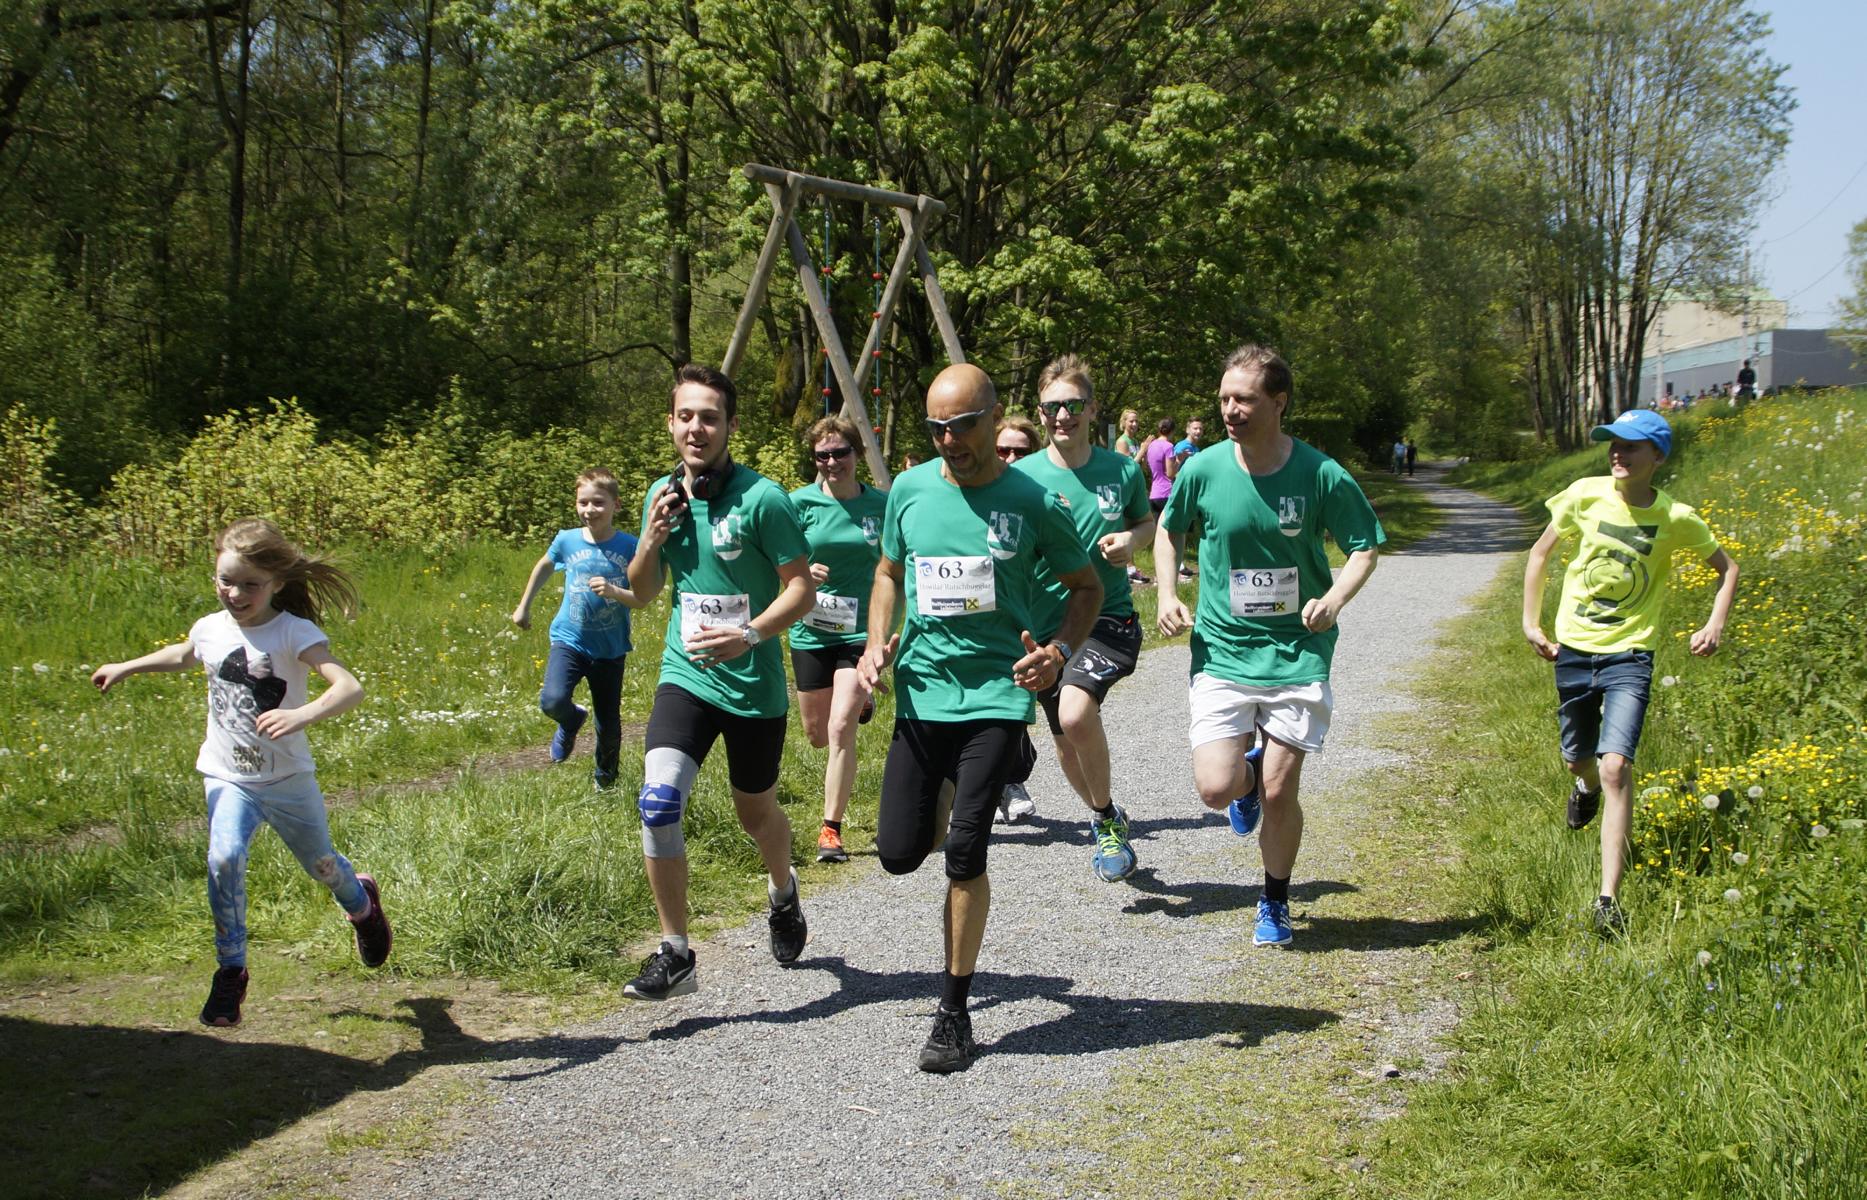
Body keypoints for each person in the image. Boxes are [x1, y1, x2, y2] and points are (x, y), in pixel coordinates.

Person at [860, 363, 1101, 1073]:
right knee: (899, 853)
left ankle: (953, 1014)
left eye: (962, 426)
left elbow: (1085, 588)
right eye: (936, 428)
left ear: (994, 420)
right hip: (922, 695)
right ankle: (974, 777)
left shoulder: (1033, 500)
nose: (948, 440)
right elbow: (887, 573)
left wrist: (1058, 652)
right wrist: (877, 641)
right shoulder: (908, 491)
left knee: (965, 851)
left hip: (996, 695)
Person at [90, 518, 391, 1028]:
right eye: (225, 580)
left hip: (287, 779)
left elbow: (349, 687)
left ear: (276, 582)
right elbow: (185, 655)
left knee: (322, 865)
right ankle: (231, 969)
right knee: (224, 857)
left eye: (250, 584)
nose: (235, 593)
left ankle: (362, 906)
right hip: (227, 775)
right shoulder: (210, 627)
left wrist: (301, 715)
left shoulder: (293, 632)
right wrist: (126, 666)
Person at [1154, 344, 1385, 949]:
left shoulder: (1320, 473)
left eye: (1245, 399)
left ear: (1278, 403)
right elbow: (1168, 531)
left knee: (1283, 791)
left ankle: (1275, 898)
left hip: (1297, 651)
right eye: (1224, 398)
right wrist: (1165, 594)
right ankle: (1246, 778)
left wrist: (1333, 599)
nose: (1231, 410)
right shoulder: (1202, 469)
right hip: (1223, 650)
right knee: (1215, 789)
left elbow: (1364, 547)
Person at [621, 363, 817, 1001]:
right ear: (670, 424)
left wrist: (749, 635)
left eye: (709, 417)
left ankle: (782, 890)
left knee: (755, 815)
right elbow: (643, 592)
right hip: (686, 675)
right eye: (685, 416)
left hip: (753, 686)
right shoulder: (662, 496)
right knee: (658, 802)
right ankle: (675, 952)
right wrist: (650, 539)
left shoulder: (764, 499)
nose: (696, 428)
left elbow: (802, 591)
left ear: (730, 425)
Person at [1521, 408, 1738, 936]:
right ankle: (1585, 787)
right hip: (1574, 649)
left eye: (1632, 445)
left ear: (1657, 456)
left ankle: (1607, 900)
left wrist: (1714, 624)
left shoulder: (1676, 517)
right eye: (1613, 444)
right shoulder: (1583, 495)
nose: (1618, 453)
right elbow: (1540, 554)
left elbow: (1728, 568)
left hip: (1631, 655)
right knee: (1578, 760)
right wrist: (1532, 623)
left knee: (1616, 766)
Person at [1013, 355, 1155, 882]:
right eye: (1052, 407)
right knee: (1064, 741)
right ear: (1040, 412)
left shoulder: (1121, 469)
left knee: (1075, 715)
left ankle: (1105, 822)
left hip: (1107, 617)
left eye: (1073, 405)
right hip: (1045, 629)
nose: (1062, 416)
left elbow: (1146, 521)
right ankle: (1106, 815)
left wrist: (1132, 541)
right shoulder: (1020, 477)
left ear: (1092, 410)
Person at [788, 415, 888, 864]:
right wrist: (800, 574)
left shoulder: (882, 505)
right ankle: (858, 702)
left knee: (840, 726)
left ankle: (831, 829)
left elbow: (900, 563)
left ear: (857, 453)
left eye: (840, 452)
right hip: (810, 631)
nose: (832, 462)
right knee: (816, 735)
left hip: (861, 632)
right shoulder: (798, 504)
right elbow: (774, 562)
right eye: (822, 455)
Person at [510, 467, 641, 790]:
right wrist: (524, 605)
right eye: (583, 502)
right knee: (552, 700)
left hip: (610, 648)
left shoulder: (630, 546)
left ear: (616, 505)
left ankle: (605, 779)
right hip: (569, 640)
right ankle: (570, 721)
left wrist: (614, 591)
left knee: (608, 722)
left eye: (598, 502)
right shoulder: (566, 540)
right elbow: (544, 566)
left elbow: (641, 597)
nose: (589, 510)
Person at [993, 416, 1044, 824]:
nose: (1011, 458)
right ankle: (1004, 784)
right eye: (1003, 450)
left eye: (1021, 452)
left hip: (1041, 617)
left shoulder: (1041, 499)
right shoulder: (976, 496)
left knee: (1022, 704)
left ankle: (1010, 778)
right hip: (991, 618)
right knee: (999, 702)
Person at [1143, 417, 1176, 516]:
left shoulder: (1151, 445)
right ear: (1172, 431)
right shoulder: (1168, 446)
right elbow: (1170, 474)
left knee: (1157, 525)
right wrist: (1179, 462)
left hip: (1154, 494)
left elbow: (1146, 467)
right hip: (1166, 493)